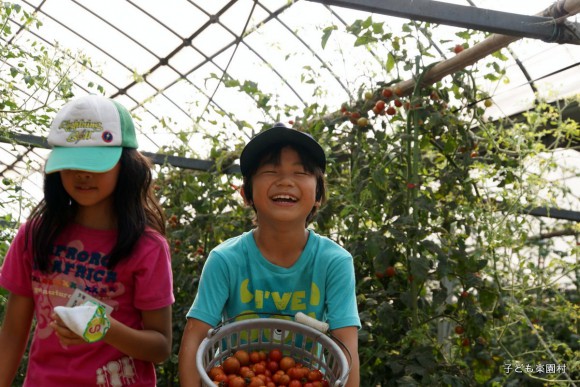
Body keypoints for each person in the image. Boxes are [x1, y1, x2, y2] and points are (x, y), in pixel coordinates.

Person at [0, 95, 174, 387]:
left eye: (95, 164)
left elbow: (160, 347)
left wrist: (101, 326)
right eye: (71, 165)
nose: (82, 175)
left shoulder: (147, 247)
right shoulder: (35, 235)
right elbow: (13, 334)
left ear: (126, 164)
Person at [178, 123, 360, 386]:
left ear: (318, 195)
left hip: (304, 376)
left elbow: (346, 348)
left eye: (300, 172)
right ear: (246, 194)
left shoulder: (333, 262)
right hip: (235, 377)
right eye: (270, 171)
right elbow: (195, 337)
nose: (285, 180)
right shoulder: (226, 259)